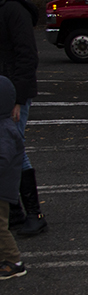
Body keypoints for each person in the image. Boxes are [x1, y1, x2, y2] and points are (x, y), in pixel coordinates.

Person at [0, 0, 46, 237]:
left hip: (11, 93)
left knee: (15, 148)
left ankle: (34, 214)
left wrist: (17, 98)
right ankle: (15, 210)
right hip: (4, 90)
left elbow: (27, 54)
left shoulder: (13, 9)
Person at [0, 76, 23, 279]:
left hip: (2, 188)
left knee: (0, 226)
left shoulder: (4, 130)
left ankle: (14, 261)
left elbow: (3, 159)